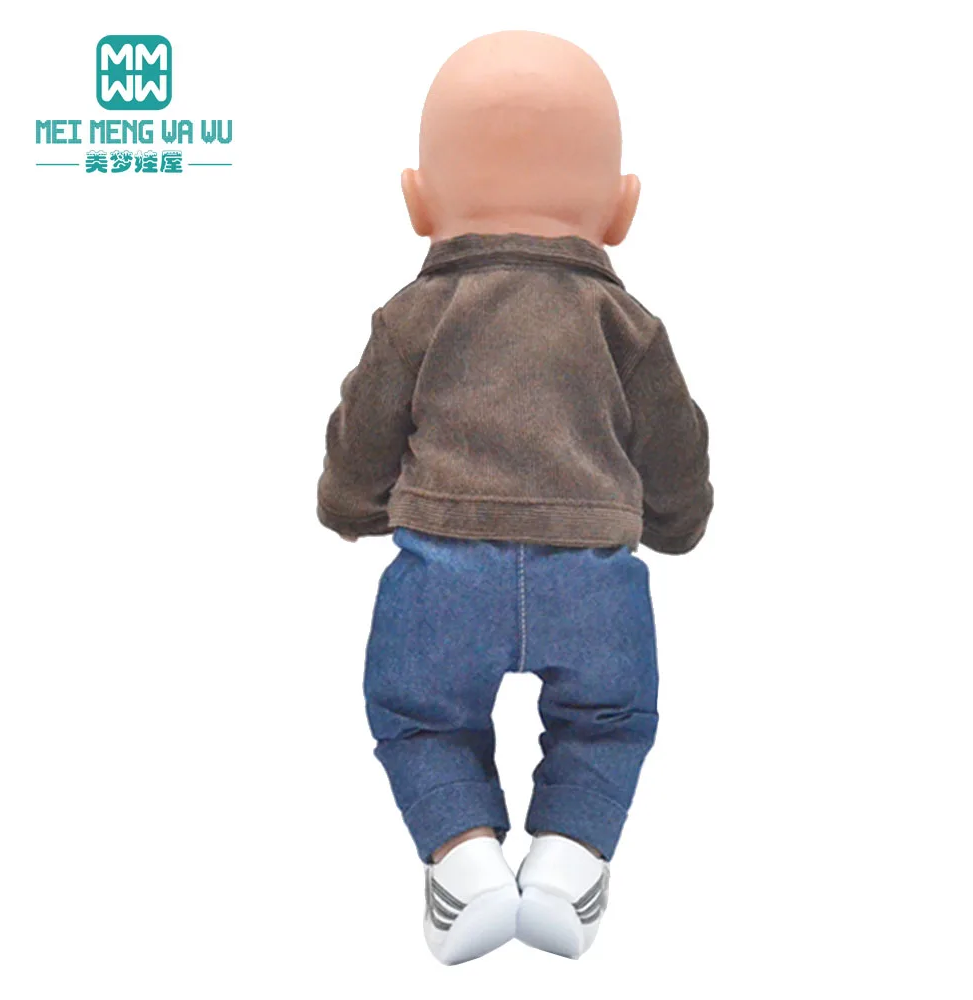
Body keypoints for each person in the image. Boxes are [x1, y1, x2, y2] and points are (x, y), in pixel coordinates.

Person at [317, 29, 713, 964]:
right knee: (610, 721)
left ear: (418, 201)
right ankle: (569, 863)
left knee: (418, 715)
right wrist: (676, 521)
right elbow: (676, 444)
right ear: (621, 209)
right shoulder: (630, 326)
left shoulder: (413, 316)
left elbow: (363, 430)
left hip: (442, 573)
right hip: (594, 580)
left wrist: (349, 504)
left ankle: (465, 864)